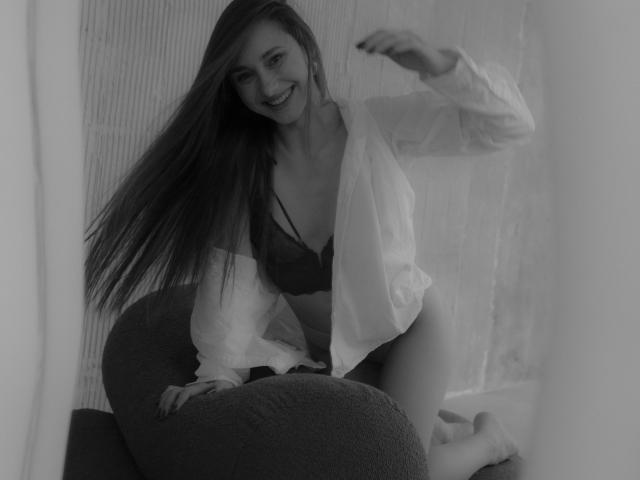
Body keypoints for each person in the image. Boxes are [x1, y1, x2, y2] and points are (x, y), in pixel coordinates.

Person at [84, 0, 535, 478]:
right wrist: (217, 377)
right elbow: (231, 290)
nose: (267, 86)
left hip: (409, 335)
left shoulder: (377, 128)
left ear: (306, 47)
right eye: (245, 76)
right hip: (332, 356)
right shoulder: (246, 177)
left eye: (275, 59)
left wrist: (439, 64)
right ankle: (440, 432)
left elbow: (509, 125)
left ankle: (488, 441)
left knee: (400, 472)